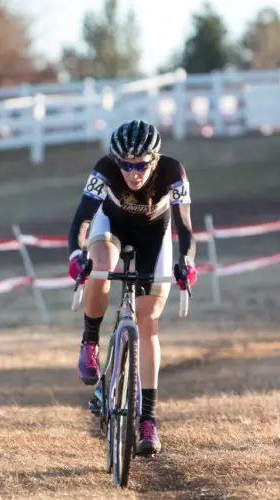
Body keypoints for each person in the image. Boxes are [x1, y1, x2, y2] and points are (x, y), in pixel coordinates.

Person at [67, 119, 197, 456]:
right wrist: (75, 254)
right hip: (112, 226)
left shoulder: (173, 172)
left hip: (155, 233)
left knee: (148, 321)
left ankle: (148, 419)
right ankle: (90, 342)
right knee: (101, 267)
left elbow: (184, 226)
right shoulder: (104, 169)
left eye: (140, 165)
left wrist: (186, 262)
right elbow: (83, 217)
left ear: (155, 159)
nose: (133, 172)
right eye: (125, 164)